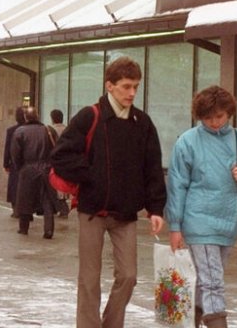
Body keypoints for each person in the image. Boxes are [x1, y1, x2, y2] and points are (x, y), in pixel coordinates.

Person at [50, 56, 166, 328]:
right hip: (92, 211)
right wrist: (92, 175)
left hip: (125, 214)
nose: (132, 93)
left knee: (129, 276)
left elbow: (152, 167)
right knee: (89, 279)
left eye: (136, 87)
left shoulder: (142, 122)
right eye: (126, 86)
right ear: (109, 86)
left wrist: (156, 209)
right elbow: (61, 156)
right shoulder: (89, 116)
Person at [166, 86, 237, 328]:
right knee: (213, 281)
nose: (214, 122)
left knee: (207, 279)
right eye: (208, 117)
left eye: (219, 116)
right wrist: (175, 225)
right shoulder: (188, 141)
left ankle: (190, 320)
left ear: (229, 113)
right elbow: (177, 185)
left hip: (229, 220)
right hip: (198, 220)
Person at [12, 106, 60, 238]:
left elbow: (15, 154)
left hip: (28, 168)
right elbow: (57, 149)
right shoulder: (48, 130)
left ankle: (24, 228)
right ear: (37, 116)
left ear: (25, 117)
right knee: (47, 199)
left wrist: (20, 167)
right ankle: (49, 230)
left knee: (25, 199)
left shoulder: (20, 132)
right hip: (46, 168)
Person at [4, 107, 26, 217]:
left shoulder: (11, 130)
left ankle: (15, 209)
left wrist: (6, 163)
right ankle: (25, 209)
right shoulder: (33, 129)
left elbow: (7, 148)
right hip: (28, 162)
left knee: (14, 185)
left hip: (14, 162)